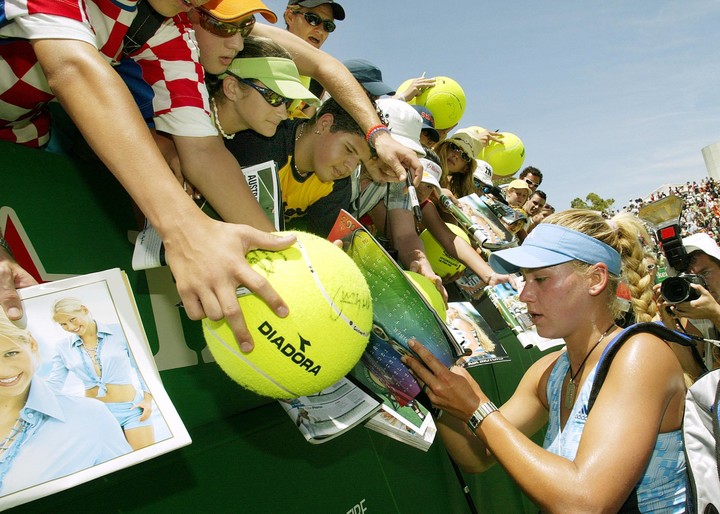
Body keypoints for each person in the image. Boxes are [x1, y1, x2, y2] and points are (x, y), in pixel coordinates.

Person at [0, 0, 299, 351]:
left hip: (20, 131)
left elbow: (203, 152)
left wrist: (290, 260)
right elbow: (73, 68)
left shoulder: (171, 27)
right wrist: (186, 230)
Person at [404, 209, 688, 512]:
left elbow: (586, 504)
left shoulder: (640, 354)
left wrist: (478, 408)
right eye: (524, 279)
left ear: (595, 279)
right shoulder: (550, 371)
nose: (525, 295)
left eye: (540, 278)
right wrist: (438, 393)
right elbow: (478, 454)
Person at [0, 308, 131, 496]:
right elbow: (57, 378)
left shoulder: (89, 417)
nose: (3, 371)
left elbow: (127, 491)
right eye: (64, 323)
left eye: (11, 353)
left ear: (32, 344)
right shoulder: (65, 349)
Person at [225, 96, 371, 236]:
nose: (350, 167)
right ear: (324, 124)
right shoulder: (264, 141)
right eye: (349, 149)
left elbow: (319, 243)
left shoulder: (337, 184)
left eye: (359, 163)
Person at [47, 298, 155, 450]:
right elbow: (54, 383)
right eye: (63, 324)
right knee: (117, 466)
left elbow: (141, 367)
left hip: (132, 409)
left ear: (84, 310)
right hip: (95, 414)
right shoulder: (62, 347)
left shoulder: (120, 331)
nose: (70, 327)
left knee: (148, 457)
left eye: (72, 319)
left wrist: (148, 399)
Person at [414, 152, 516, 288]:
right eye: (420, 180)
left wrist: (490, 275)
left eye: (429, 186)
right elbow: (403, 238)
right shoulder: (387, 190)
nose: (422, 190)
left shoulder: (426, 205)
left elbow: (449, 239)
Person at [206, 35, 319, 139]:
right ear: (232, 88)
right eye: (274, 97)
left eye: (288, 101)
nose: (283, 115)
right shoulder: (192, 127)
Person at [654, 232, 720, 370]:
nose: (699, 283)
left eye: (705, 273)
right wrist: (670, 325)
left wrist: (715, 314)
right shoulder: (698, 312)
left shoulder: (708, 310)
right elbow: (694, 373)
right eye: (691, 278)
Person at [434, 129, 482, 199]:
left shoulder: (459, 197)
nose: (456, 156)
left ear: (465, 168)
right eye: (454, 147)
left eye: (464, 156)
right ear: (444, 147)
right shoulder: (423, 161)